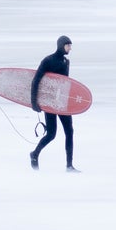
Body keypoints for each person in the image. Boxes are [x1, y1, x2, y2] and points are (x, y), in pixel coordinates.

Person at [30, 36, 78, 171]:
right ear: (61, 45)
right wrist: (34, 102)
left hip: (62, 103)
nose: (70, 48)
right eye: (68, 46)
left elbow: (66, 84)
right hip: (50, 102)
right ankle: (34, 154)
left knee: (69, 131)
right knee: (51, 134)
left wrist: (70, 101)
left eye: (70, 46)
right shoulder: (48, 60)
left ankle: (69, 165)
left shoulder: (66, 62)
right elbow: (36, 80)